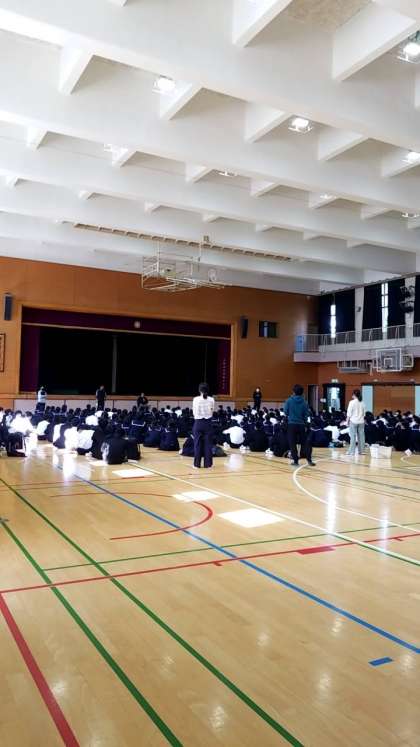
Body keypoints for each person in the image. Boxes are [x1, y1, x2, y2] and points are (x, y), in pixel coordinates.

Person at [284, 384, 315, 467]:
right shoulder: (305, 402)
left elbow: (285, 412)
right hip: (302, 425)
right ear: (302, 393)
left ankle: (295, 461)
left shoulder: (289, 401)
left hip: (292, 424)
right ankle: (309, 460)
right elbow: (306, 414)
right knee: (305, 443)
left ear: (293, 392)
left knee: (292, 443)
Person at [192, 382, 214, 468]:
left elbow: (194, 412)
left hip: (198, 423)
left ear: (199, 390)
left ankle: (196, 464)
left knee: (197, 444)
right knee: (208, 445)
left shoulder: (196, 399)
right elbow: (212, 411)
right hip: (208, 423)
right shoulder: (211, 399)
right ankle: (208, 464)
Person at [346, 389, 366, 456]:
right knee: (361, 437)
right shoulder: (362, 402)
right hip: (361, 421)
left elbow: (349, 413)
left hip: (353, 421)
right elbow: (364, 414)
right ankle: (362, 451)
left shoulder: (351, 402)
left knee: (353, 437)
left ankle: (352, 451)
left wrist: (347, 421)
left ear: (354, 395)